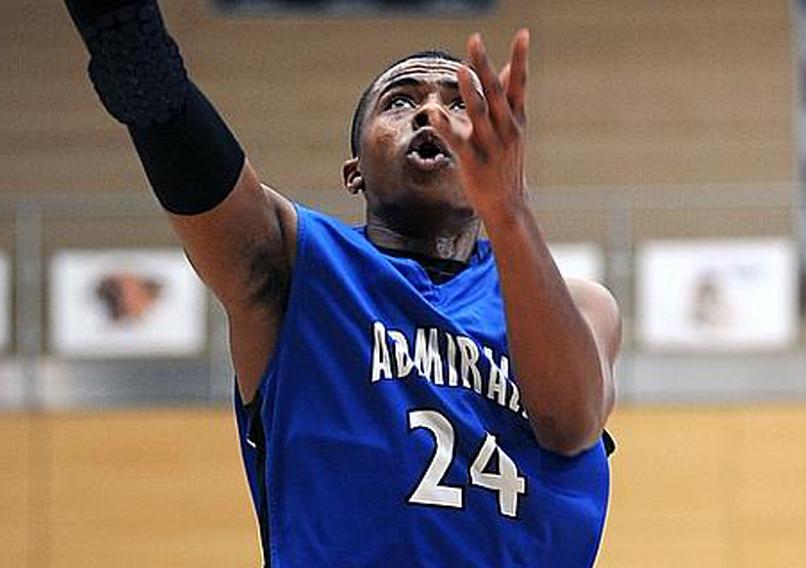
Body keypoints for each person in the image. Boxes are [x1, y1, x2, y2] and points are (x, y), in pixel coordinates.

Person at [63, 1, 622, 565]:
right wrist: (136, 58)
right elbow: (177, 132)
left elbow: (568, 423)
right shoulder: (298, 267)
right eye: (401, 101)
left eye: (460, 104)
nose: (432, 112)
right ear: (354, 169)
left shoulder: (580, 304)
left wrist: (508, 209)